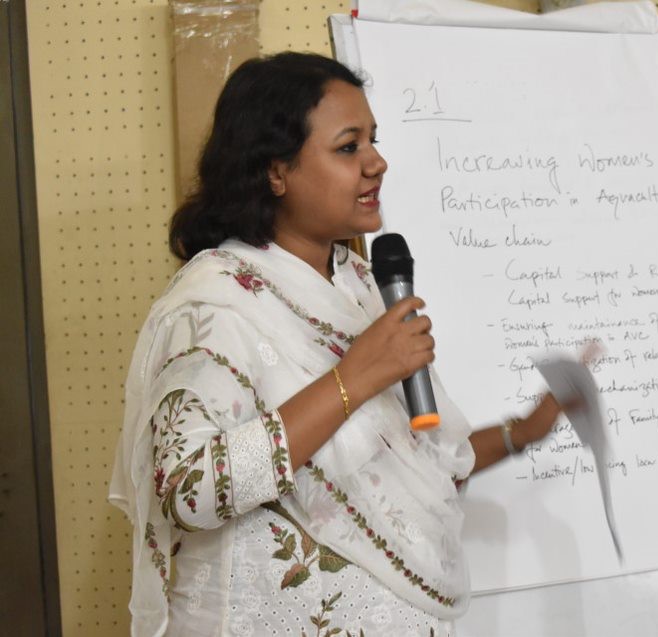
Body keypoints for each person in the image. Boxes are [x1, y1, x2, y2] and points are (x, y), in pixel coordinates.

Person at [109, 52, 563, 637]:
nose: (377, 163)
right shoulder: (214, 305)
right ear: (276, 171)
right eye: (349, 147)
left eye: (373, 141)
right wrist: (354, 379)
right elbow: (188, 491)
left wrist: (519, 433)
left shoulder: (355, 286)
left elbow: (405, 465)